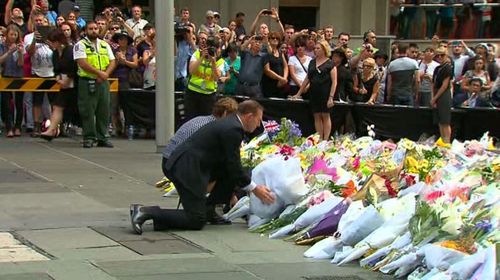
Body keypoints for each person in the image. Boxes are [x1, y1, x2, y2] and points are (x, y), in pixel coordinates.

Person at [130, 100, 274, 234]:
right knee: (195, 220)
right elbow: (234, 164)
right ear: (249, 116)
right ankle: (145, 211)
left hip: (194, 166)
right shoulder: (233, 129)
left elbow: (230, 166)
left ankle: (207, 210)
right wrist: (255, 189)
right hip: (186, 169)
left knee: (229, 175)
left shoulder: (230, 124)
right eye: (258, 120)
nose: (258, 125)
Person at [74, 21, 116, 148]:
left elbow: (112, 61)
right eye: (91, 29)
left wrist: (106, 74)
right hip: (87, 81)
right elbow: (82, 62)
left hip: (103, 81)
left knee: (104, 110)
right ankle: (89, 137)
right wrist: (99, 73)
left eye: (96, 28)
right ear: (86, 31)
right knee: (87, 110)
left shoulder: (104, 45)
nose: (94, 31)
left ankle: (103, 136)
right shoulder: (80, 45)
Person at [292, 40, 337, 141]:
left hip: (325, 92)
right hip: (314, 92)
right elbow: (307, 78)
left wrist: (331, 97)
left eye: (318, 48)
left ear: (324, 49)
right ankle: (320, 138)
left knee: (325, 115)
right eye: (315, 48)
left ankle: (326, 139)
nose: (316, 50)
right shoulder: (312, 62)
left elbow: (334, 82)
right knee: (316, 115)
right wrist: (298, 93)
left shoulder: (330, 64)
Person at [40, 29, 77, 141]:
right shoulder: (55, 53)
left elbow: (75, 67)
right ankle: (52, 130)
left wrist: (68, 79)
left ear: (58, 41)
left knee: (80, 109)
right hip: (63, 84)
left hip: (76, 83)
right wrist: (57, 76)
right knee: (57, 106)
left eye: (52, 42)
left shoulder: (70, 50)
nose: (50, 44)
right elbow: (56, 68)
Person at [24, 12, 54, 137]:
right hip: (37, 72)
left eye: (41, 20)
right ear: (33, 22)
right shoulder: (28, 37)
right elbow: (29, 53)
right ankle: (36, 125)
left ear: (45, 21)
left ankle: (55, 126)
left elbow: (58, 50)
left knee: (54, 102)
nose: (39, 22)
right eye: (36, 20)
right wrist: (36, 40)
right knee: (37, 101)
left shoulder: (53, 34)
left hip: (52, 72)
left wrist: (47, 40)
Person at [185, 36, 224, 120]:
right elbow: (191, 70)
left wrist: (213, 62)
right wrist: (202, 57)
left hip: (208, 96)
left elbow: (217, 78)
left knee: (206, 120)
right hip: (193, 93)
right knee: (190, 119)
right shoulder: (197, 54)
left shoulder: (220, 61)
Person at [0, 24, 24, 138]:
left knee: (19, 103)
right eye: (11, 34)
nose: (13, 37)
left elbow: (21, 64)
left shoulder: (20, 45)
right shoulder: (2, 46)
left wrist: (19, 52)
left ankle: (18, 126)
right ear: (7, 35)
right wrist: (9, 51)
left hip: (18, 76)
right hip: (6, 75)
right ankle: (9, 127)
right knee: (6, 103)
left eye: (15, 34)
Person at [431, 47, 453, 144]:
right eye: (438, 55)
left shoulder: (448, 67)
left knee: (445, 120)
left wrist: (435, 98)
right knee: (440, 120)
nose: (439, 57)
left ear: (446, 55)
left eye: (442, 55)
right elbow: (433, 83)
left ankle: (447, 142)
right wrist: (433, 97)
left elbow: (444, 86)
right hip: (436, 93)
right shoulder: (437, 68)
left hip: (444, 94)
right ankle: (443, 141)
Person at [261, 31, 289, 98]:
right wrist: (280, 79)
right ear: (269, 39)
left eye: (277, 38)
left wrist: (284, 78)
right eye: (273, 38)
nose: (275, 39)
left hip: (281, 86)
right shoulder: (265, 52)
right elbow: (267, 70)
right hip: (269, 85)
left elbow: (285, 67)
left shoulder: (280, 53)